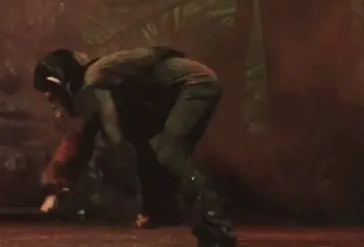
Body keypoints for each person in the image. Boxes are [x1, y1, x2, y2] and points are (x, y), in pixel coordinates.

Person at [33, 47, 238, 247]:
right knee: (146, 144)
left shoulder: (94, 79)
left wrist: (113, 144)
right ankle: (163, 209)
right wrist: (56, 187)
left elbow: (101, 134)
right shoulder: (98, 78)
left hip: (195, 85)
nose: (53, 103)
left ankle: (217, 229)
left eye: (52, 95)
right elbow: (87, 136)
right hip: (180, 91)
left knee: (169, 153)